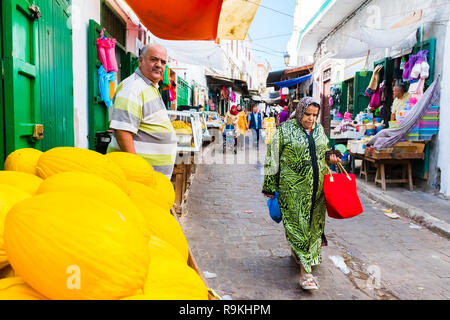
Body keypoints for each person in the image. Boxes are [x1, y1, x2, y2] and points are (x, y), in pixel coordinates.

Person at [262, 97, 341, 291]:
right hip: (293, 190)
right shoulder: (285, 131)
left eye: (315, 115)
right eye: (308, 114)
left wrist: (331, 157)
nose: (311, 119)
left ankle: (304, 255)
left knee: (314, 227)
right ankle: (306, 274)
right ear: (299, 112)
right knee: (298, 227)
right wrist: (270, 187)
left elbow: (323, 151)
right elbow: (272, 159)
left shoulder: (319, 130)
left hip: (318, 190)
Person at [107, 43, 177, 179]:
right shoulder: (133, 88)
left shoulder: (150, 86)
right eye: (153, 59)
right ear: (140, 61)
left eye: (163, 62)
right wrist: (137, 170)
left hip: (150, 178)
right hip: (135, 178)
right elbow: (123, 132)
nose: (159, 65)